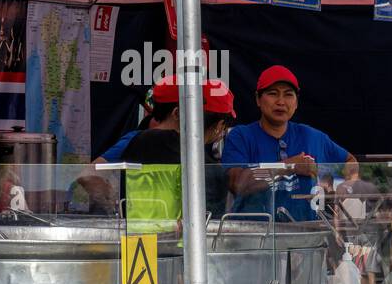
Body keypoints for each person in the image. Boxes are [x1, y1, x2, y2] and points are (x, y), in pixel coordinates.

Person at [223, 65, 355, 222]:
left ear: (296, 102)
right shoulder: (241, 136)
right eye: (273, 94)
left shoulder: (312, 136)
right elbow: (237, 184)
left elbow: (350, 162)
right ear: (258, 99)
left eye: (288, 95)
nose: (281, 102)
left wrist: (339, 188)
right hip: (253, 236)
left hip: (304, 235)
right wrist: (288, 166)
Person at [121, 79, 237, 217]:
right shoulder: (209, 169)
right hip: (181, 237)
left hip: (138, 235)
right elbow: (209, 222)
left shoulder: (137, 141)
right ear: (220, 125)